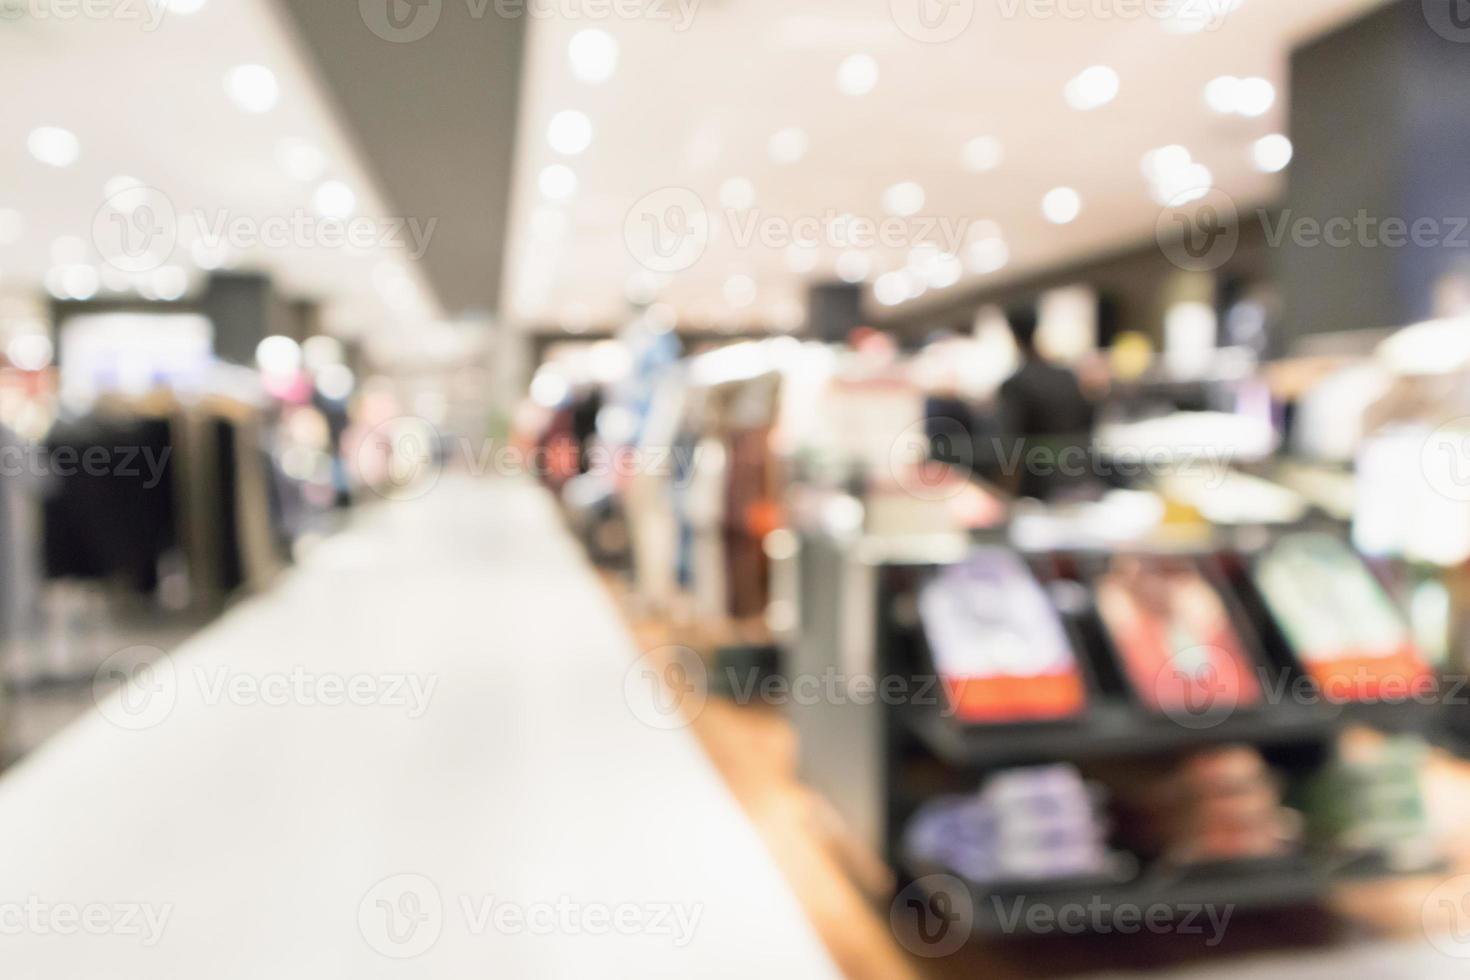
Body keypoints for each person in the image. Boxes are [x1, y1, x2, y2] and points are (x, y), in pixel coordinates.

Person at [995, 306, 1095, 500]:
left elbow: (1010, 446)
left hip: (1038, 487)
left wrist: (1005, 492)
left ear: (1012, 334)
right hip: (1078, 477)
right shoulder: (1066, 376)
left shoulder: (1016, 384)